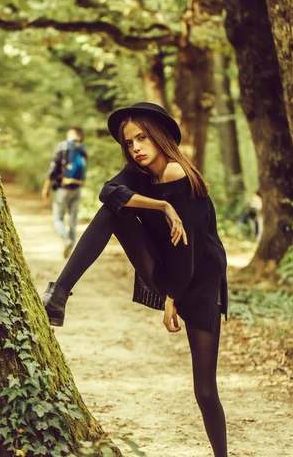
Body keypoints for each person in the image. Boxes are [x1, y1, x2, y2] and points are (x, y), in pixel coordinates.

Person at [41, 103, 228, 457]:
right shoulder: (139, 175)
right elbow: (108, 192)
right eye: (129, 143)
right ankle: (59, 294)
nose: (136, 148)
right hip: (164, 271)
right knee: (114, 211)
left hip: (198, 284)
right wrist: (160, 207)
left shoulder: (178, 174)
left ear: (159, 136)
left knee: (204, 390)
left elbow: (189, 252)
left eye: (142, 138)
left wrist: (173, 297)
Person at [41, 126, 87, 258]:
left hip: (63, 188)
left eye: (69, 134)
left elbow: (53, 167)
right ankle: (72, 247)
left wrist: (46, 188)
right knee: (73, 218)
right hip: (77, 189)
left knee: (58, 218)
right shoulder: (82, 148)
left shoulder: (63, 146)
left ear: (74, 134)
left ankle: (66, 239)